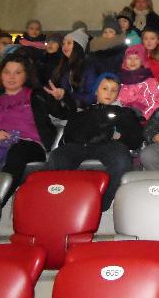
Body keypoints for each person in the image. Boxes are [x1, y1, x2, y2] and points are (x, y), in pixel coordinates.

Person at [0, 52, 71, 198]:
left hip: (30, 145)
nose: (11, 77)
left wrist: (62, 98)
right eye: (7, 72)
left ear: (26, 75)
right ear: (1, 75)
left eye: (17, 72)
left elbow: (65, 115)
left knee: (18, 151)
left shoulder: (38, 96)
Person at [46, 73, 142, 211]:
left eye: (113, 90)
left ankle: (99, 204)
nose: (109, 93)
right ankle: (67, 200)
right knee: (57, 157)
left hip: (109, 146)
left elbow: (136, 139)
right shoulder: (82, 113)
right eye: (105, 88)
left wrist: (118, 136)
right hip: (80, 146)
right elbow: (68, 134)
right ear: (96, 91)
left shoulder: (124, 113)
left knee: (122, 160)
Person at [82, 14, 127, 98]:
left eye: (111, 31)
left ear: (117, 34)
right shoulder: (94, 49)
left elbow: (122, 72)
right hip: (96, 89)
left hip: (115, 90)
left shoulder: (122, 51)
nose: (107, 34)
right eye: (105, 32)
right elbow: (90, 72)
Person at [116, 44, 159, 120]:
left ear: (142, 61)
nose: (132, 61)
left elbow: (157, 100)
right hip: (123, 116)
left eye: (137, 58)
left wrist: (144, 116)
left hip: (143, 116)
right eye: (129, 58)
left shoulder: (148, 81)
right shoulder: (120, 79)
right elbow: (116, 98)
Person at [48, 28, 89, 108]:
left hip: (83, 110)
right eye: (63, 44)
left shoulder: (88, 67)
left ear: (78, 46)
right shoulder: (62, 65)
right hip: (67, 109)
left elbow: (91, 96)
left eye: (69, 43)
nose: (64, 46)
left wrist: (65, 95)